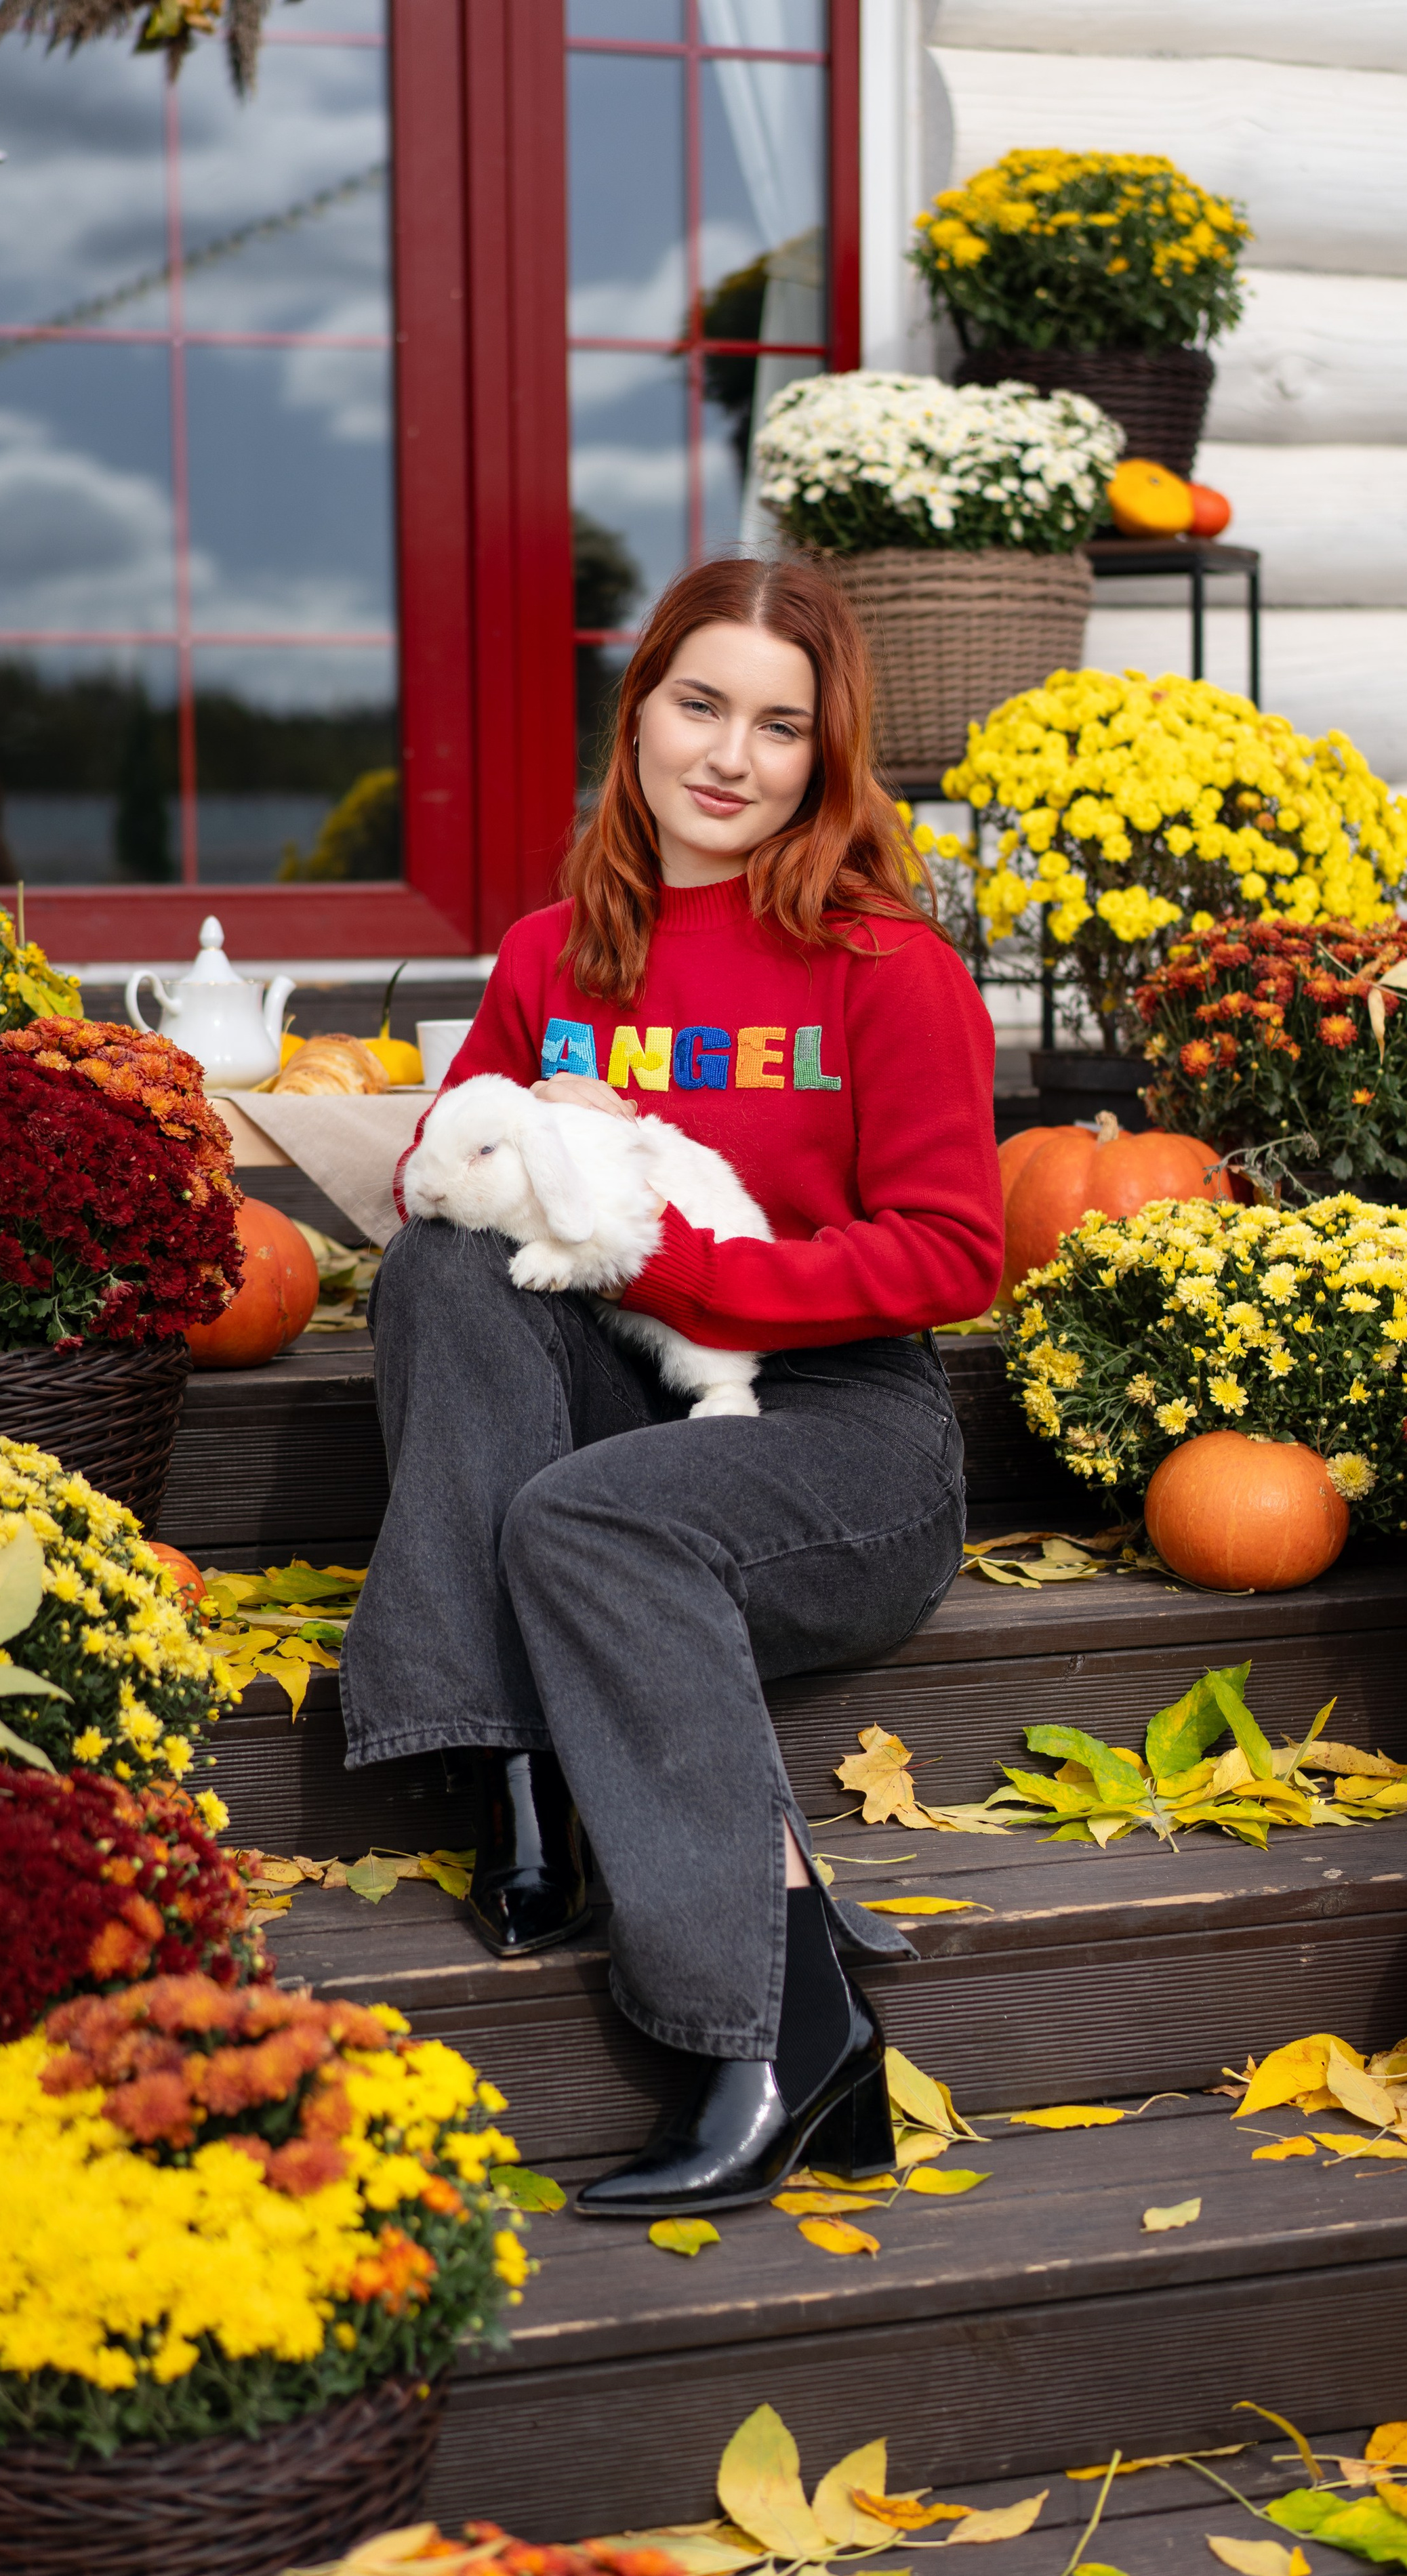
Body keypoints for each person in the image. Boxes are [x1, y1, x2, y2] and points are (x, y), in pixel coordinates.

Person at [340, 553, 1002, 2217]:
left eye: (779, 726)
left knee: (592, 1522)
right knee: (440, 1266)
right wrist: (495, 1160)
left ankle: (768, 2018)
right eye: (698, 704)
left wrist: (693, 1267)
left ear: (823, 756)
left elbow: (951, 1253)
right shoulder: (552, 958)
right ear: (635, 716)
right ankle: (507, 1767)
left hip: (840, 1429)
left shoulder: (885, 969)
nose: (730, 755)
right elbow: (445, 1159)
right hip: (632, 1382)